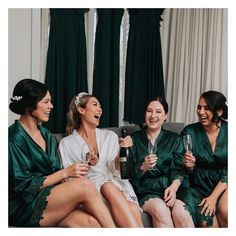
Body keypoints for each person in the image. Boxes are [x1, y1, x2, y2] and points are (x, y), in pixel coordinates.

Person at [9, 79, 115, 227]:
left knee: (92, 223)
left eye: (50, 101)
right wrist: (66, 173)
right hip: (24, 205)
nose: (51, 106)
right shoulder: (14, 138)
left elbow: (55, 171)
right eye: (46, 102)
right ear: (30, 105)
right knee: (84, 185)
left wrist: (74, 173)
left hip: (51, 197)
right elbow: (24, 186)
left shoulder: (46, 135)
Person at [59, 92, 143, 227]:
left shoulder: (109, 136)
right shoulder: (66, 143)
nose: (100, 109)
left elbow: (117, 172)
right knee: (108, 187)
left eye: (100, 106)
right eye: (95, 104)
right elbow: (67, 180)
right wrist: (85, 163)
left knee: (131, 206)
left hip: (116, 188)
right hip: (90, 194)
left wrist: (121, 152)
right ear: (81, 110)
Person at [129, 96, 195, 227]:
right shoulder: (134, 139)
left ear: (165, 116)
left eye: (158, 112)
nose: (153, 115)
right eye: (149, 111)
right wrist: (143, 167)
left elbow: (180, 169)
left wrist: (174, 187)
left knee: (181, 213)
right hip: (146, 189)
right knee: (160, 210)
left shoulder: (175, 139)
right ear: (144, 114)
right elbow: (127, 174)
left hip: (172, 188)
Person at [180, 90, 228, 227]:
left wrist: (213, 197)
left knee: (226, 211)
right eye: (199, 107)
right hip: (199, 186)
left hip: (225, 183)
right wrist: (190, 166)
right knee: (205, 221)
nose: (200, 112)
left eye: (206, 108)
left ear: (219, 111)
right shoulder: (189, 132)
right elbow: (183, 168)